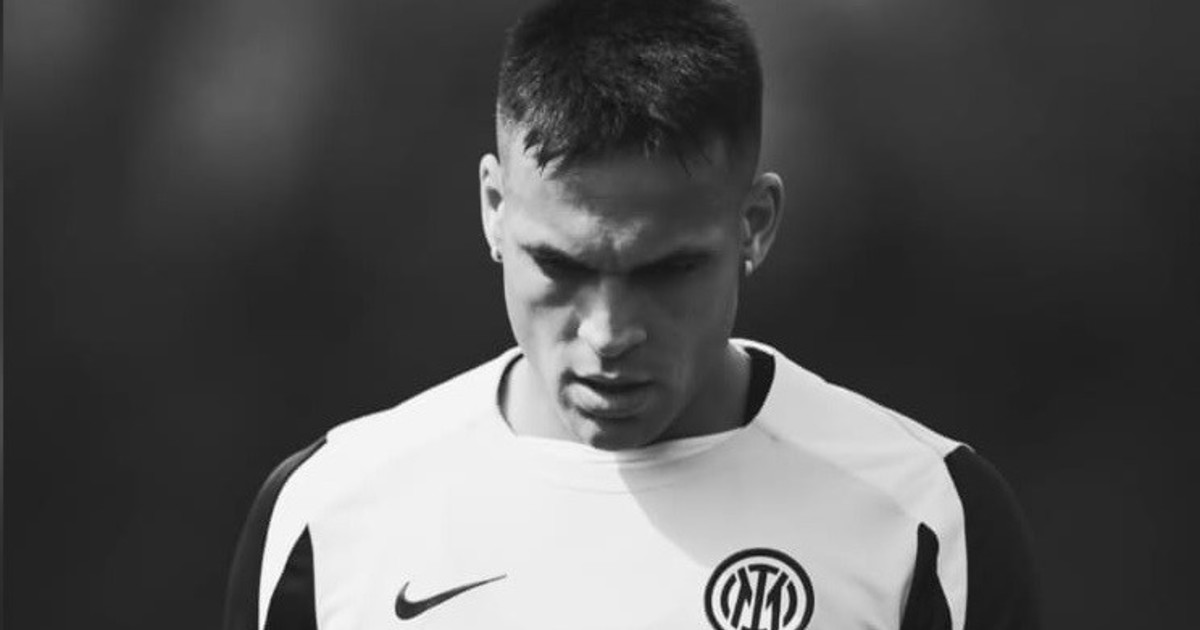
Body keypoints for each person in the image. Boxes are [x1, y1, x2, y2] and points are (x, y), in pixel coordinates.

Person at [224, 1, 1041, 628]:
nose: (610, 333)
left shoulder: (925, 520)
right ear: (494, 209)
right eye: (562, 266)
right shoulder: (329, 520)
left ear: (754, 225)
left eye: (668, 270)